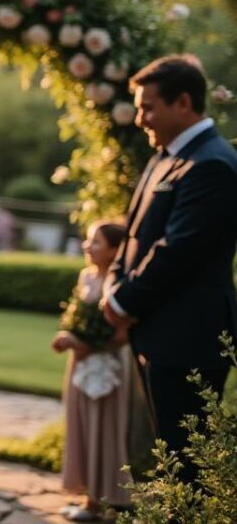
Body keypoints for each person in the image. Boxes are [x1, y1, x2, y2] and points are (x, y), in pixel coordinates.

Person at [101, 55, 237, 484]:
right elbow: (134, 236)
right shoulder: (165, 156)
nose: (140, 118)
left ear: (183, 103)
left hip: (188, 339)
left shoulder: (212, 164)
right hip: (158, 333)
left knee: (188, 468)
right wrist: (113, 286)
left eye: (148, 107)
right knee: (171, 459)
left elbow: (177, 250)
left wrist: (123, 301)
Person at [54, 221, 133, 521]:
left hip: (109, 366)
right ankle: (89, 495)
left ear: (116, 250)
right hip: (81, 363)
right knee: (83, 425)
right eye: (88, 241)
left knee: (106, 429)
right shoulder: (85, 276)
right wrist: (71, 338)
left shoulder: (120, 283)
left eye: (96, 242)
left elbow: (123, 333)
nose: (87, 246)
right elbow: (76, 318)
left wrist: (86, 341)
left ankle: (107, 502)